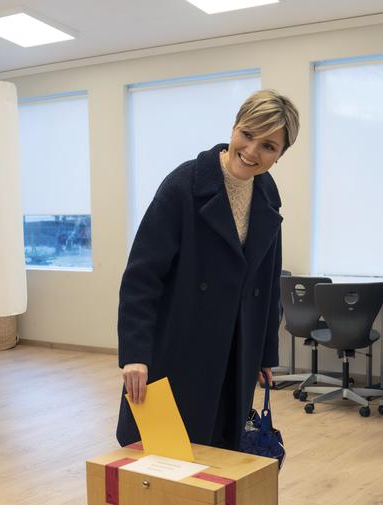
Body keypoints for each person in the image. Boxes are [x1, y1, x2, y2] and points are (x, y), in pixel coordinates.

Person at [116, 89, 300, 451]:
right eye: (247, 135)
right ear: (234, 127)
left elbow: (268, 278)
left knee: (220, 455)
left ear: (279, 155)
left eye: (268, 146)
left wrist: (264, 353)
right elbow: (142, 277)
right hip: (179, 345)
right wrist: (134, 354)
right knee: (165, 457)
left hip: (237, 349)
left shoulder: (267, 195)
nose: (250, 152)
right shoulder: (183, 186)